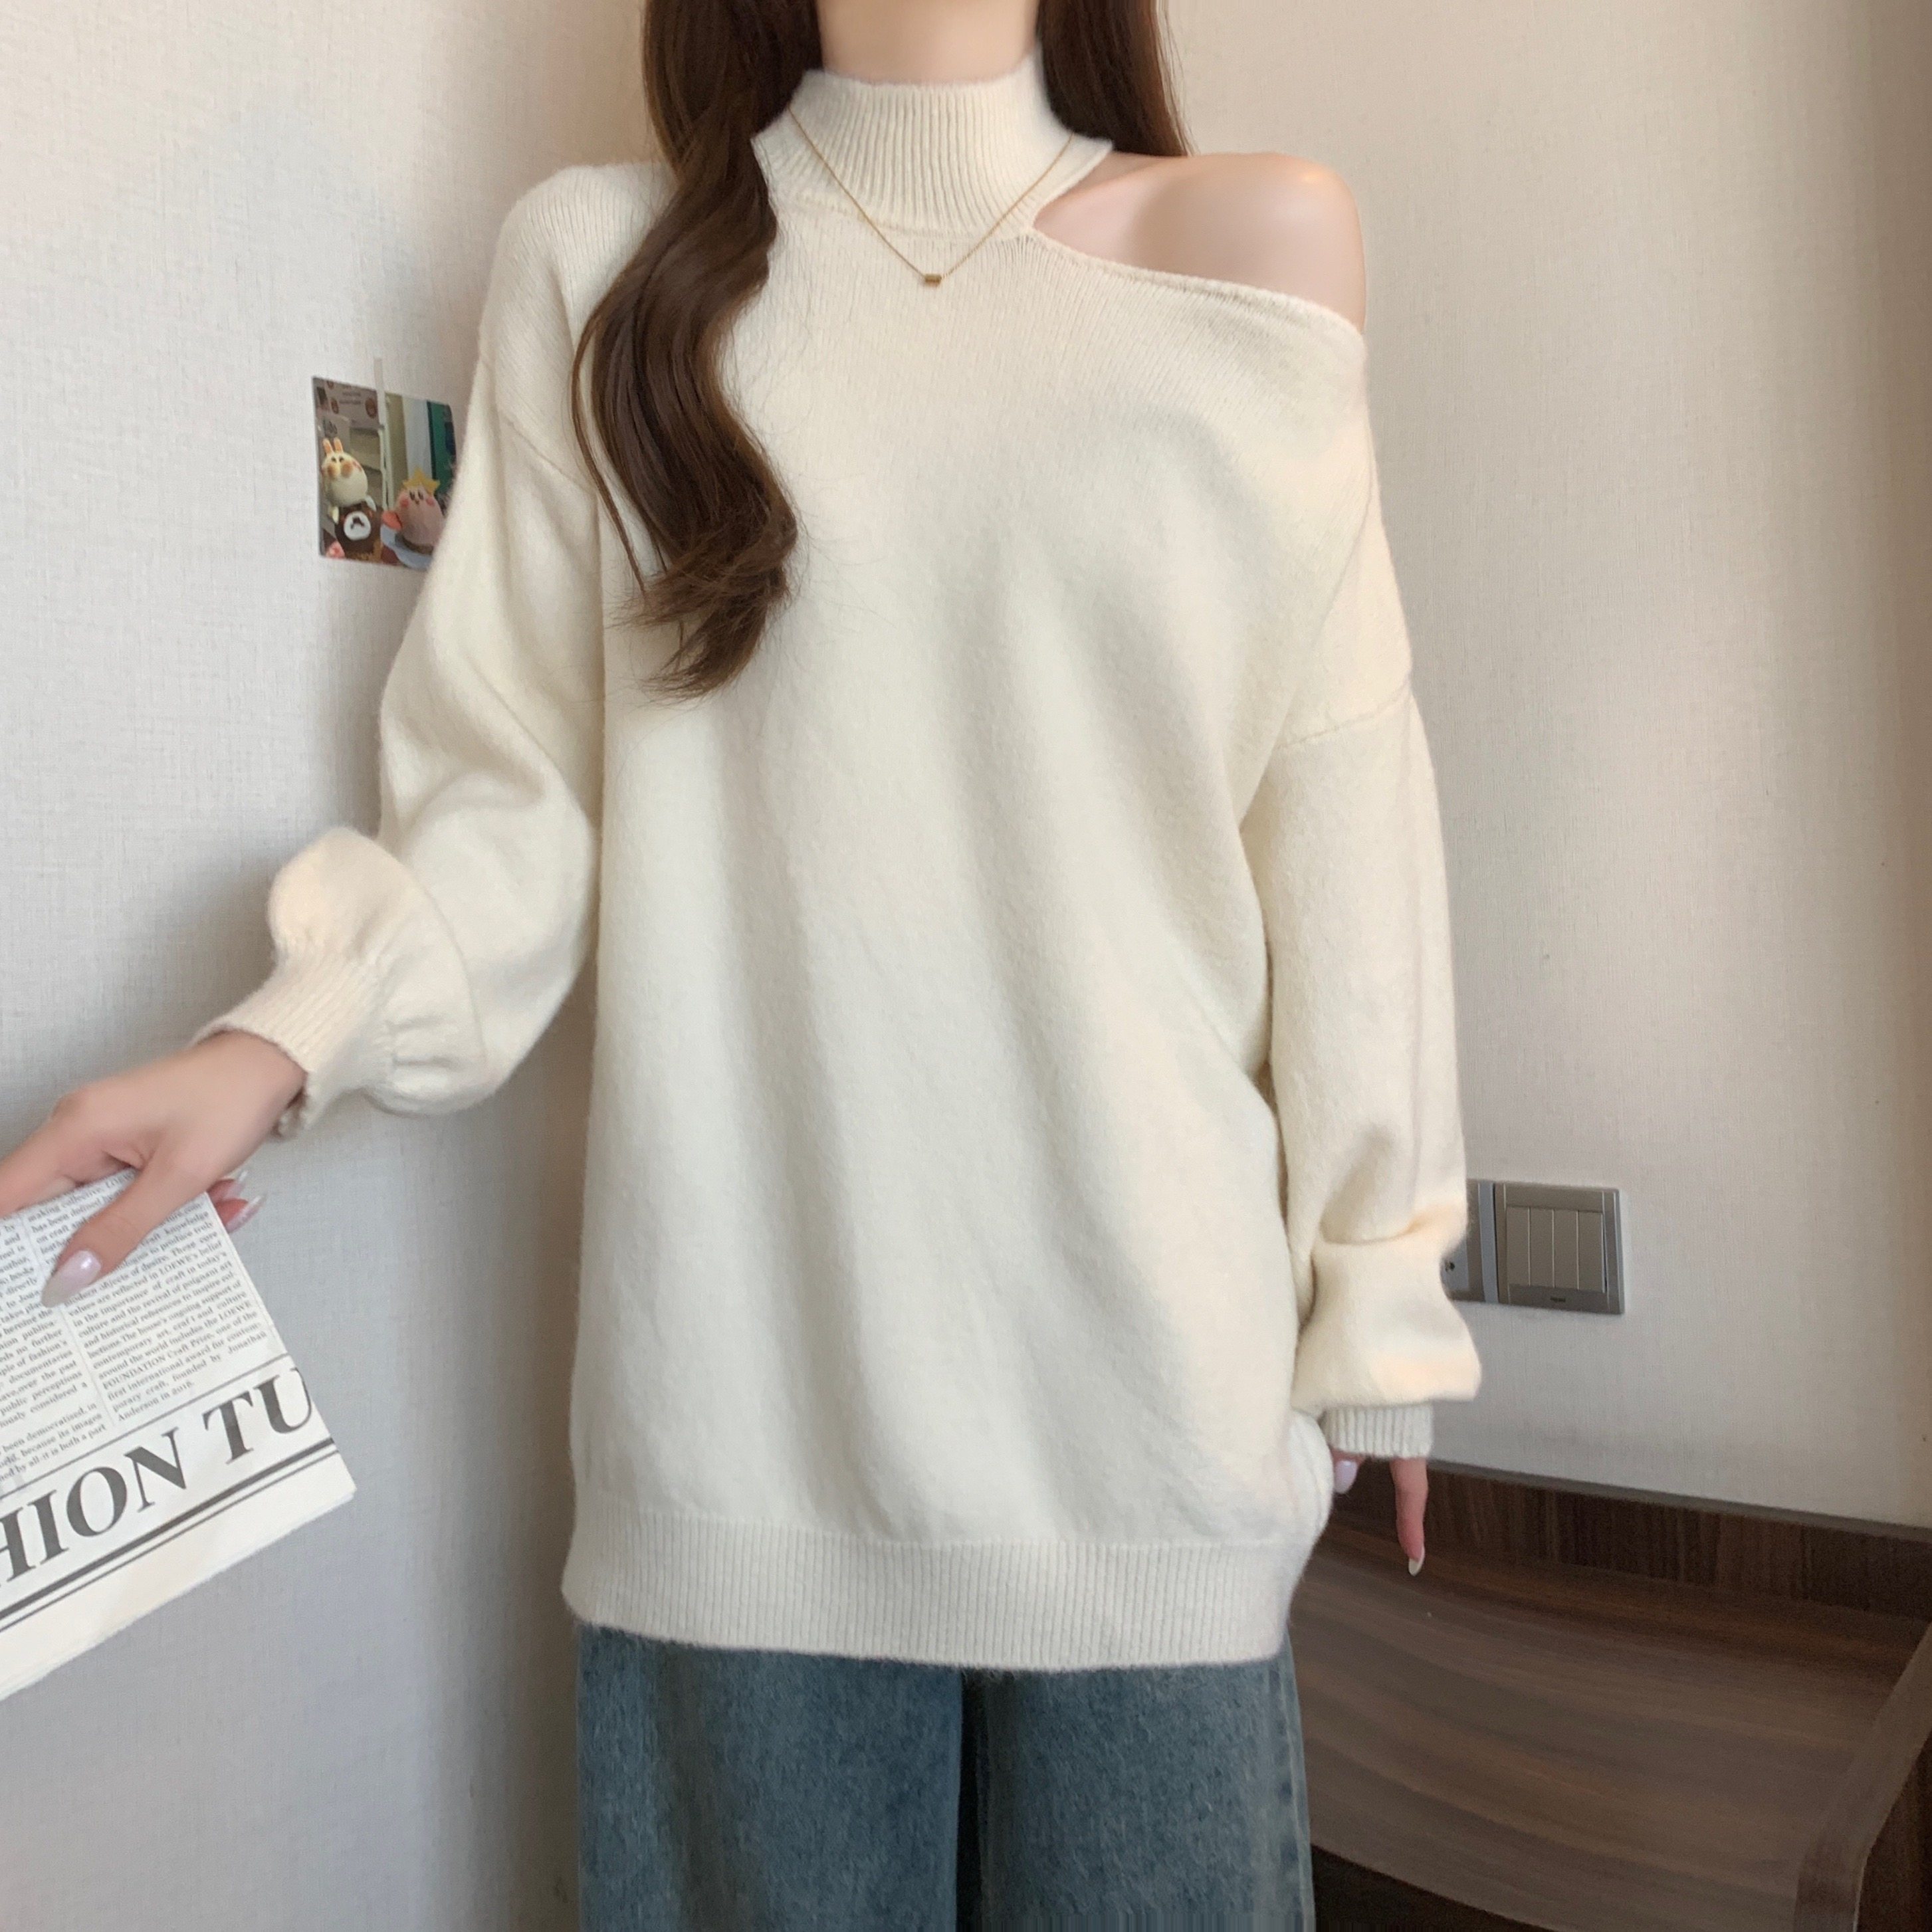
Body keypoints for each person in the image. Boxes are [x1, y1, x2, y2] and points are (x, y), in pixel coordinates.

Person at [0, 1, 1481, 1921]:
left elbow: (1344, 818)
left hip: (1158, 1428)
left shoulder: (1255, 250)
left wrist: (1382, 1302)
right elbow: (511, 795)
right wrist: (278, 1040)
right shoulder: (603, 267)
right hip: (740, 1438)